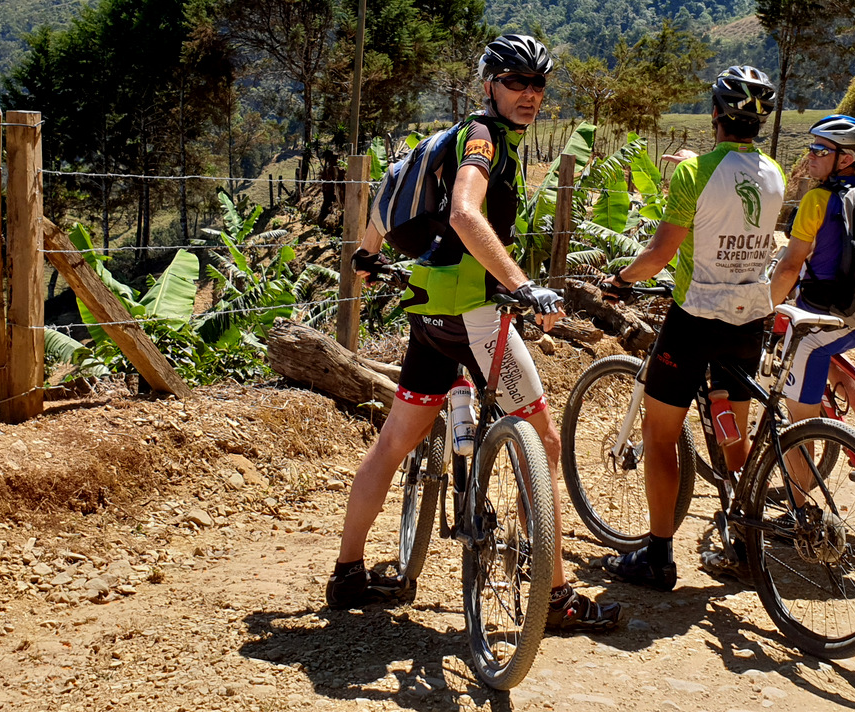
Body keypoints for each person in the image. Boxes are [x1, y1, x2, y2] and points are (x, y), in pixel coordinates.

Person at [327, 33, 621, 632]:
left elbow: (386, 202)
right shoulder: (484, 139)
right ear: (489, 84)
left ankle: (348, 572)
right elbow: (464, 212)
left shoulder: (445, 139)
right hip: (478, 316)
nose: (530, 94)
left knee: (392, 443)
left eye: (538, 84)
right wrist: (521, 285)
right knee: (543, 442)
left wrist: (365, 254)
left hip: (429, 310)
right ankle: (557, 596)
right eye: (516, 81)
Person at [595, 66, 785, 590]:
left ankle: (657, 556)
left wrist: (618, 279)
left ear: (716, 114)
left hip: (695, 318)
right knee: (734, 436)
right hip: (749, 318)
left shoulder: (693, 173)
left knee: (660, 437)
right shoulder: (775, 173)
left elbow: (660, 254)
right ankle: (744, 539)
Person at [769, 114, 855, 426]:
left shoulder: (817, 200)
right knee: (829, 351)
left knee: (798, 424)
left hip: (821, 311)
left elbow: (790, 266)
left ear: (845, 158)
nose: (811, 155)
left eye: (820, 150)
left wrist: (764, 307)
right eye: (811, 147)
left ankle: (817, 445)